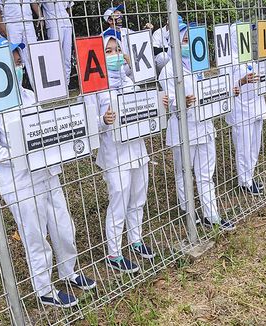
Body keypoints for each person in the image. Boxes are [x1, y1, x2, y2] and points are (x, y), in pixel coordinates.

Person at [0, 38, 96, 308]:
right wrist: (22, 153)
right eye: (13, 57)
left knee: (63, 226)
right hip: (19, 181)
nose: (19, 61)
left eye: (19, 56)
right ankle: (44, 289)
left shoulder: (29, 95)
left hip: (46, 173)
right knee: (35, 236)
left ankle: (69, 271)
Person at [84, 30, 155, 274]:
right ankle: (114, 252)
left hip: (137, 149)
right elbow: (89, 123)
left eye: (116, 50)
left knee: (139, 195)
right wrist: (104, 120)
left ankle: (135, 239)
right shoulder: (95, 87)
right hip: (114, 153)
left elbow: (146, 106)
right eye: (108, 51)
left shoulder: (128, 82)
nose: (114, 55)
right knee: (119, 198)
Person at [158, 21, 236, 230]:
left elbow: (209, 92)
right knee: (184, 172)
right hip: (183, 129)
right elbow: (172, 103)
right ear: (173, 43)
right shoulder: (167, 71)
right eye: (183, 40)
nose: (187, 44)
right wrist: (182, 103)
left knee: (205, 174)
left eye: (190, 41)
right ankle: (189, 211)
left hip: (204, 126)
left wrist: (227, 92)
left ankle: (212, 216)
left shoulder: (198, 65)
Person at [226, 23, 266, 195]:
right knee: (243, 146)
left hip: (256, 106)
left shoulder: (248, 57)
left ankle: (249, 176)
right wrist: (241, 82)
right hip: (241, 109)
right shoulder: (229, 60)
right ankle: (244, 181)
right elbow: (225, 87)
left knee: (254, 145)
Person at [0, 0, 41, 89]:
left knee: (33, 56)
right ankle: (17, 91)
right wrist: (0, 24)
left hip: (28, 21)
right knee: (14, 58)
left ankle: (38, 90)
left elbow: (33, 1)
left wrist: (41, 16)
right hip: (11, 22)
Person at [41, 0, 74, 87]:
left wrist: (66, 16)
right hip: (53, 24)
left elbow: (69, 6)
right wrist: (41, 18)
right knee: (54, 55)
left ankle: (66, 84)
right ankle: (56, 85)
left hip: (66, 23)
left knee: (67, 56)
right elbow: (36, 4)